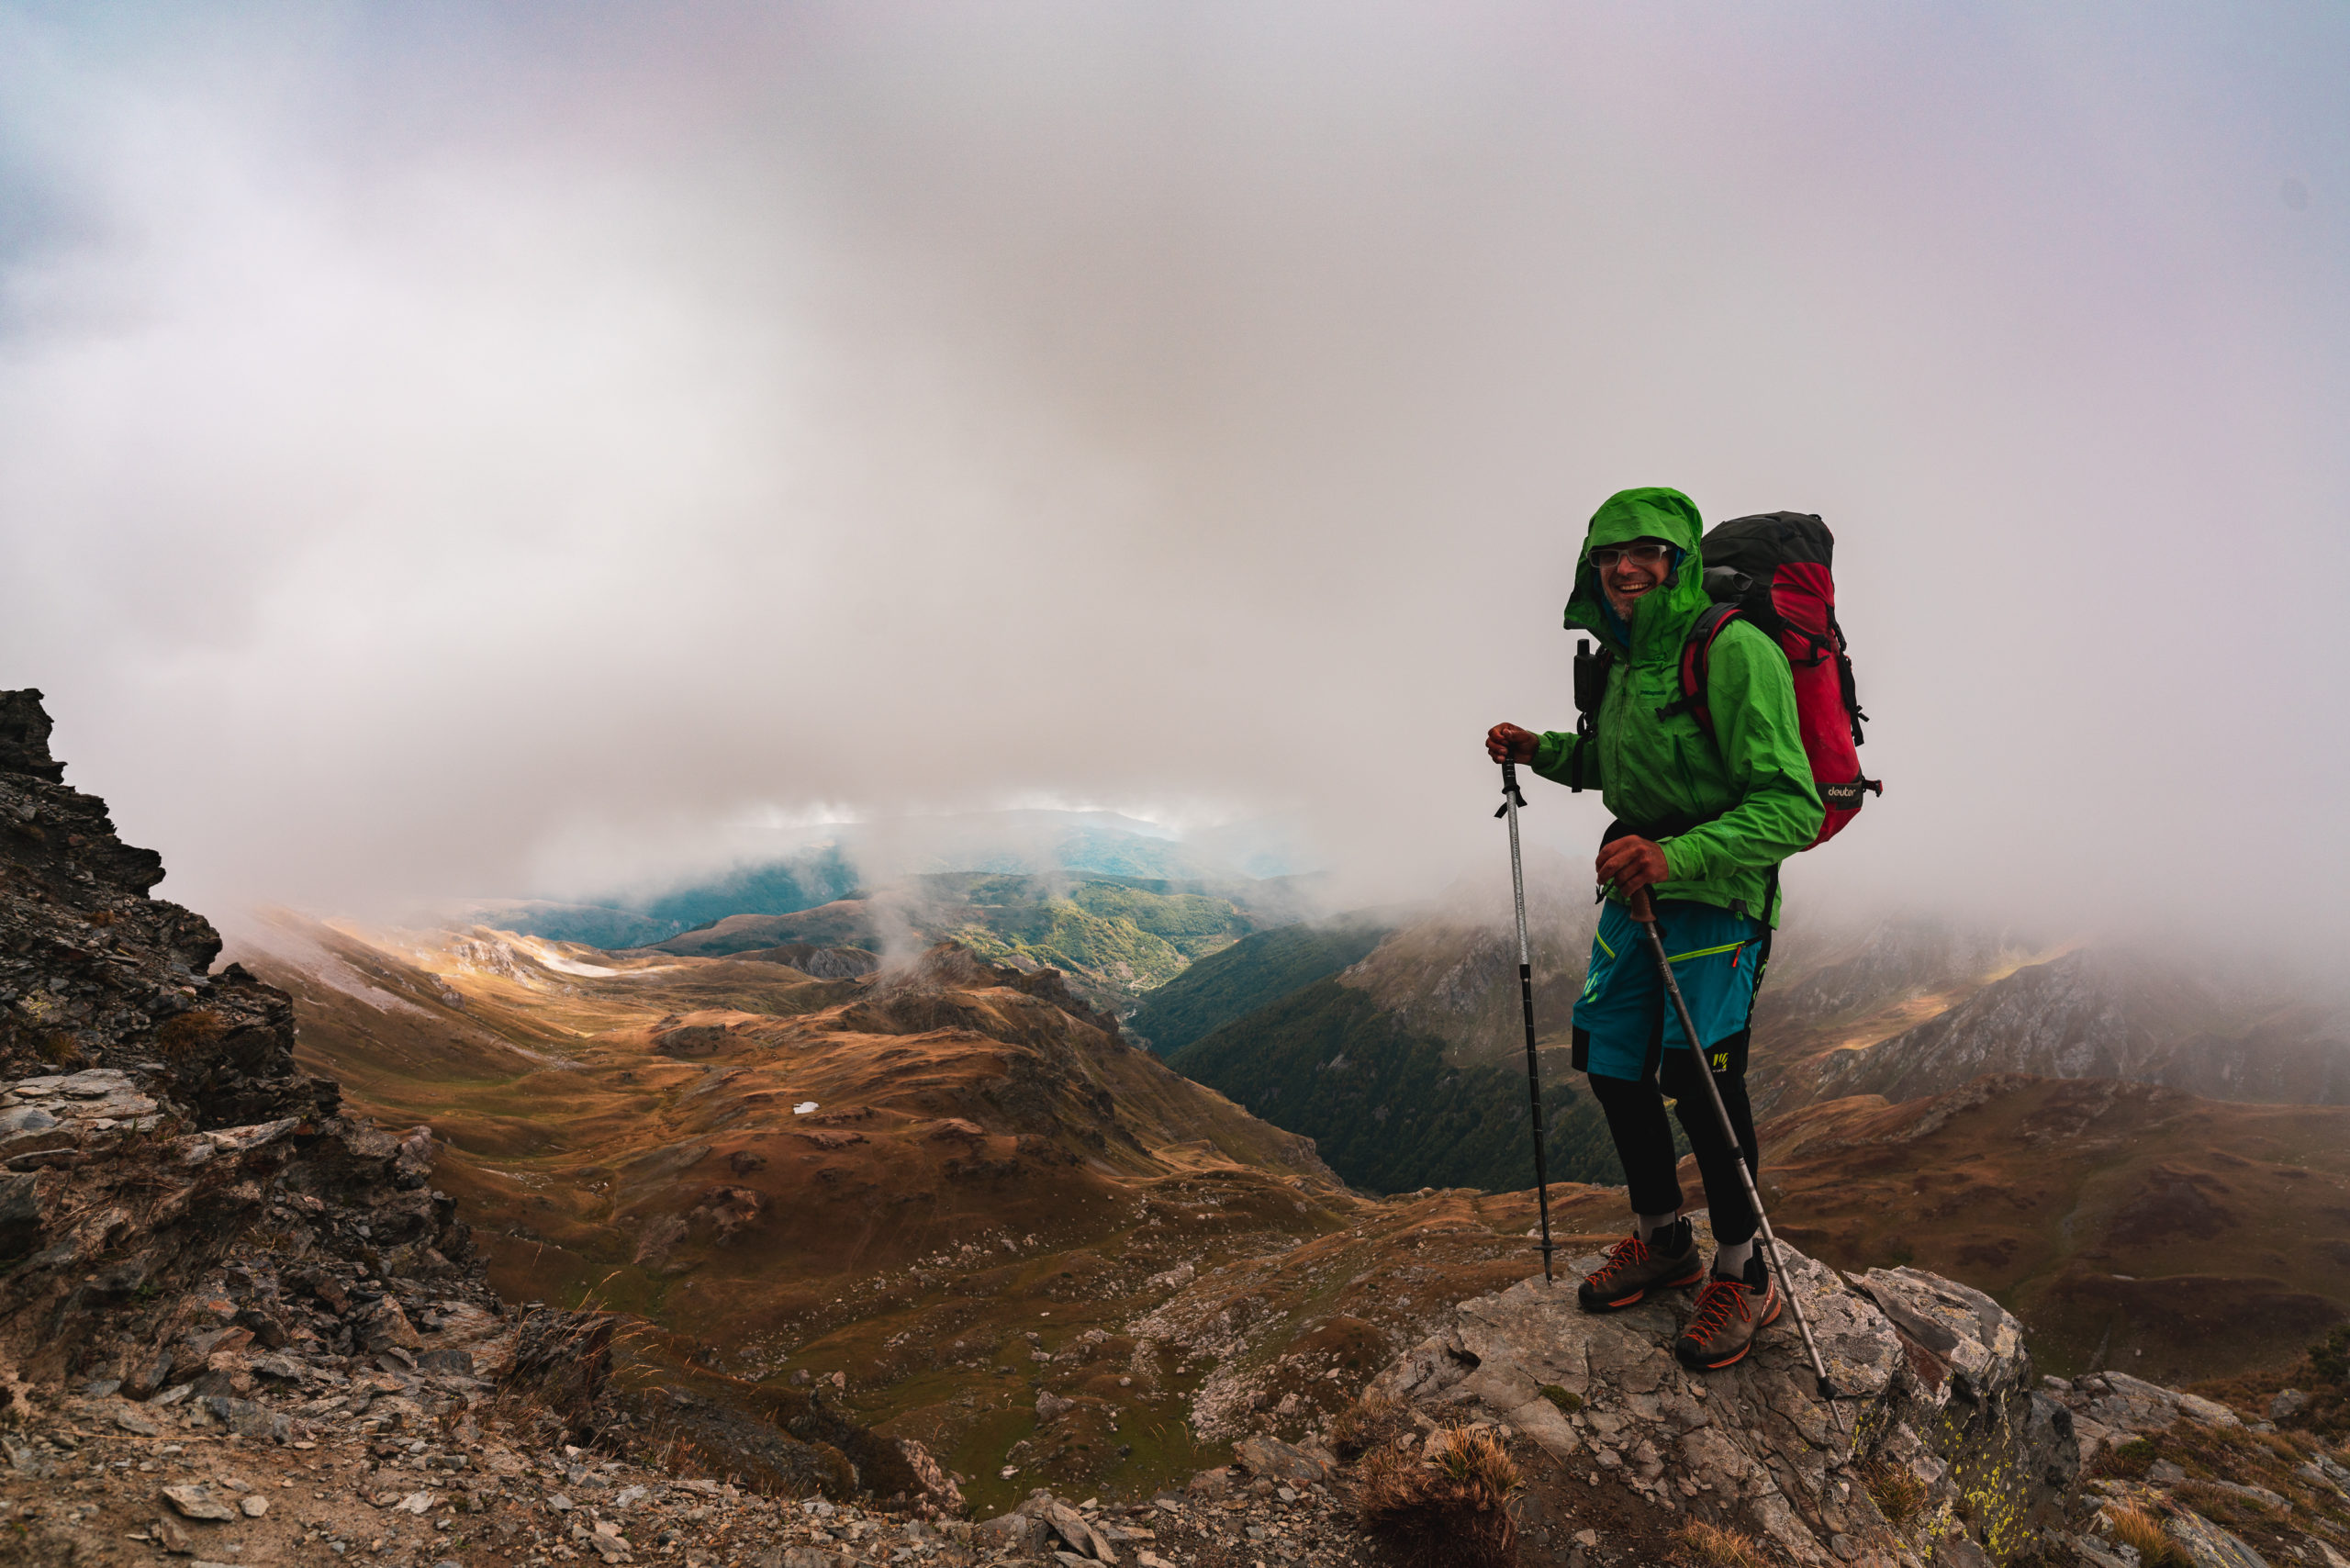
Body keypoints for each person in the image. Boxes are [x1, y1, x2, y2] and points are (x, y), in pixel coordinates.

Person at [1485, 486, 1822, 1372]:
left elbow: (1792, 803)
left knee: (1700, 1082)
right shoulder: (1628, 659)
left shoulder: (1734, 650)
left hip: (1716, 896)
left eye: (1644, 552)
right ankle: (1663, 1239)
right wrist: (1543, 751)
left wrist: (1676, 858)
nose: (1624, 566)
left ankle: (1745, 1277)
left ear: (1677, 562)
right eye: (1608, 554)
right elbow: (1619, 761)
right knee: (1610, 1061)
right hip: (1636, 884)